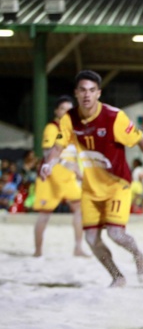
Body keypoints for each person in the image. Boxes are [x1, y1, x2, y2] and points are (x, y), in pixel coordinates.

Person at [40, 70, 143, 287]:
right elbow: (58, 146)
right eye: (82, 90)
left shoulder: (114, 117)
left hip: (116, 185)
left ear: (99, 93)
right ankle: (117, 276)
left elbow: (141, 140)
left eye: (92, 90)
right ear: (76, 93)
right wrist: (49, 163)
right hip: (90, 189)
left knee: (116, 234)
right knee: (91, 239)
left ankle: (138, 254)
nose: (87, 95)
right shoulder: (69, 119)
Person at [32, 95, 89, 258]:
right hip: (52, 176)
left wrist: (77, 169)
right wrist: (68, 166)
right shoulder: (52, 128)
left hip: (67, 176)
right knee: (45, 214)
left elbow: (74, 153)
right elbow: (47, 152)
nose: (66, 112)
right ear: (56, 111)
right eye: (63, 109)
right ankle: (38, 250)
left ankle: (77, 248)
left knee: (78, 209)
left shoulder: (70, 129)